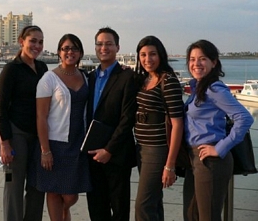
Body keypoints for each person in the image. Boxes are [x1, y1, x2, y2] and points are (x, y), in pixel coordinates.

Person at [182, 40, 254, 221]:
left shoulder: (214, 89)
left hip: (211, 160)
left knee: (208, 217)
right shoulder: (197, 88)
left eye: (202, 59)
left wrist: (220, 148)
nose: (196, 64)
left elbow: (244, 118)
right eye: (192, 59)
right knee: (192, 215)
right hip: (195, 159)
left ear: (214, 62)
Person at [29, 33, 92, 221]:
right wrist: (45, 150)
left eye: (74, 48)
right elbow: (41, 117)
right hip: (55, 144)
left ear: (80, 53)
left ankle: (65, 210)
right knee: (54, 191)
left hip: (79, 143)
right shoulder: (49, 79)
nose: (70, 52)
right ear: (59, 52)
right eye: (65, 48)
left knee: (71, 194)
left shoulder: (86, 77)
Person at [0, 25, 47, 221]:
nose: (37, 45)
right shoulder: (11, 69)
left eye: (40, 42)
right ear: (22, 41)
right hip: (14, 134)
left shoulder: (42, 68)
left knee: (37, 185)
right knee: (14, 187)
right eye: (33, 40)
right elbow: (0, 109)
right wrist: (5, 143)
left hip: (37, 134)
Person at [86, 27, 137, 221]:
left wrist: (109, 149)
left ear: (117, 47)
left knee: (119, 209)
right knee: (96, 209)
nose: (103, 48)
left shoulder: (127, 77)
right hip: (91, 154)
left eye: (108, 44)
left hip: (117, 155)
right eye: (99, 44)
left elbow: (127, 118)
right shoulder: (89, 77)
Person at [133, 36, 184, 221]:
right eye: (143, 55)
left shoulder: (168, 81)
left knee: (143, 205)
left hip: (157, 149)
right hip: (141, 147)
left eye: (152, 54)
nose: (148, 59)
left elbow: (177, 124)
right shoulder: (146, 79)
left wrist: (170, 165)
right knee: (153, 202)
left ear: (161, 55)